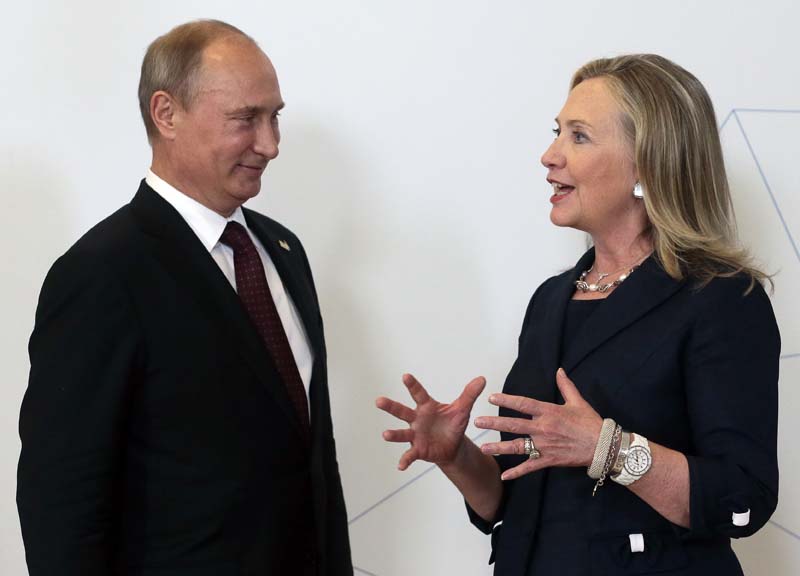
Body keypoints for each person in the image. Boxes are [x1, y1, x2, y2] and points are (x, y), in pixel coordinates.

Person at [377, 54, 779, 575]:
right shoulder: (551, 300)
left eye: (579, 136)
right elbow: (509, 500)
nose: (549, 155)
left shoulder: (721, 299)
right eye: (556, 132)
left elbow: (741, 499)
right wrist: (456, 457)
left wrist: (608, 449)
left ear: (648, 163)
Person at [17, 20, 352, 576]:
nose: (270, 144)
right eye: (246, 119)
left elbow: (309, 461)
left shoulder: (283, 250)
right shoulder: (101, 274)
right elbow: (62, 501)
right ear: (166, 114)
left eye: (275, 117)